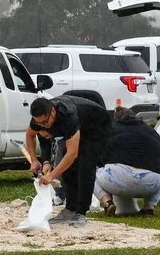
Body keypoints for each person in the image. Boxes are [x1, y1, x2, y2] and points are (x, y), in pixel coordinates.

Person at [25, 95, 111, 228]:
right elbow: (30, 135)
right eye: (39, 123)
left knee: (85, 165)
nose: (42, 126)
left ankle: (81, 212)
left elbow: (72, 154)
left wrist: (52, 176)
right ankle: (70, 209)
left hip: (96, 126)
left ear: (53, 112)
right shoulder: (40, 119)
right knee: (69, 170)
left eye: (44, 123)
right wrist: (35, 160)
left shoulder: (68, 117)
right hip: (78, 128)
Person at [95, 107, 160, 216]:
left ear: (116, 119)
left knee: (90, 173)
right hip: (151, 183)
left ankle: (107, 202)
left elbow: (99, 159)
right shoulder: (151, 131)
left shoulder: (110, 130)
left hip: (119, 179)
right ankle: (149, 207)